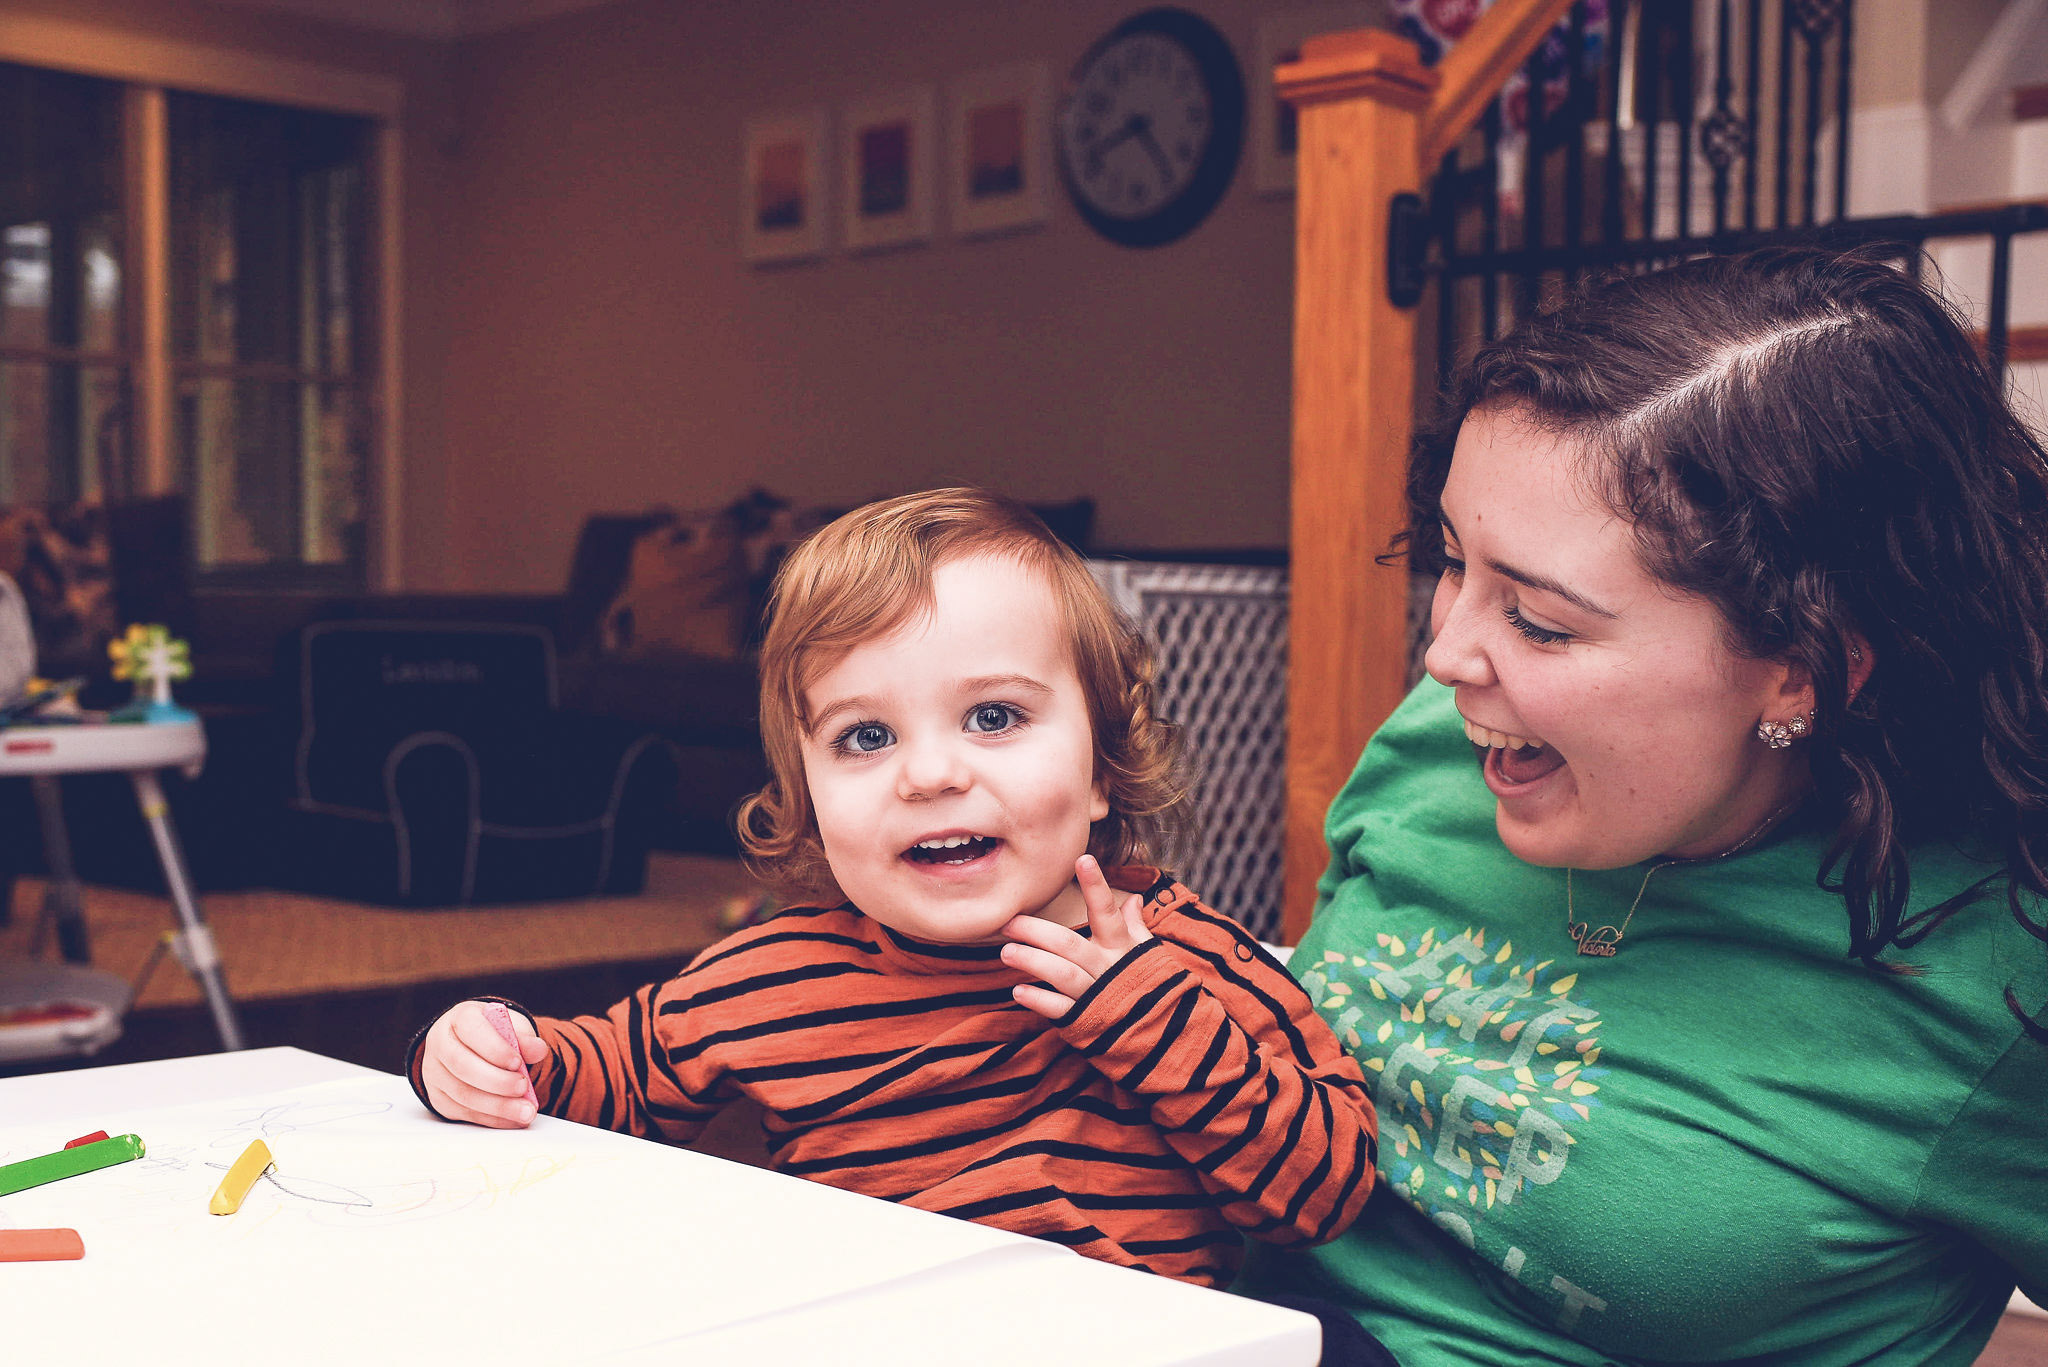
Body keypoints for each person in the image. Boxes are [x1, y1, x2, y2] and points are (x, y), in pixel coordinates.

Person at [1236, 246, 2048, 1364]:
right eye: (1449, 561)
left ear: (1797, 671)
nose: (1442, 654)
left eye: (1539, 620)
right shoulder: (1441, 744)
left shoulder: (2000, 971)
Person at [409, 488, 1380, 1299]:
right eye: (864, 737)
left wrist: (1151, 1024)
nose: (926, 773)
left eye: (992, 715)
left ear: (1099, 770)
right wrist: (493, 1053)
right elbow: (604, 1077)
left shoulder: (1172, 959)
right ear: (807, 793)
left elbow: (1325, 1189)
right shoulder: (768, 975)